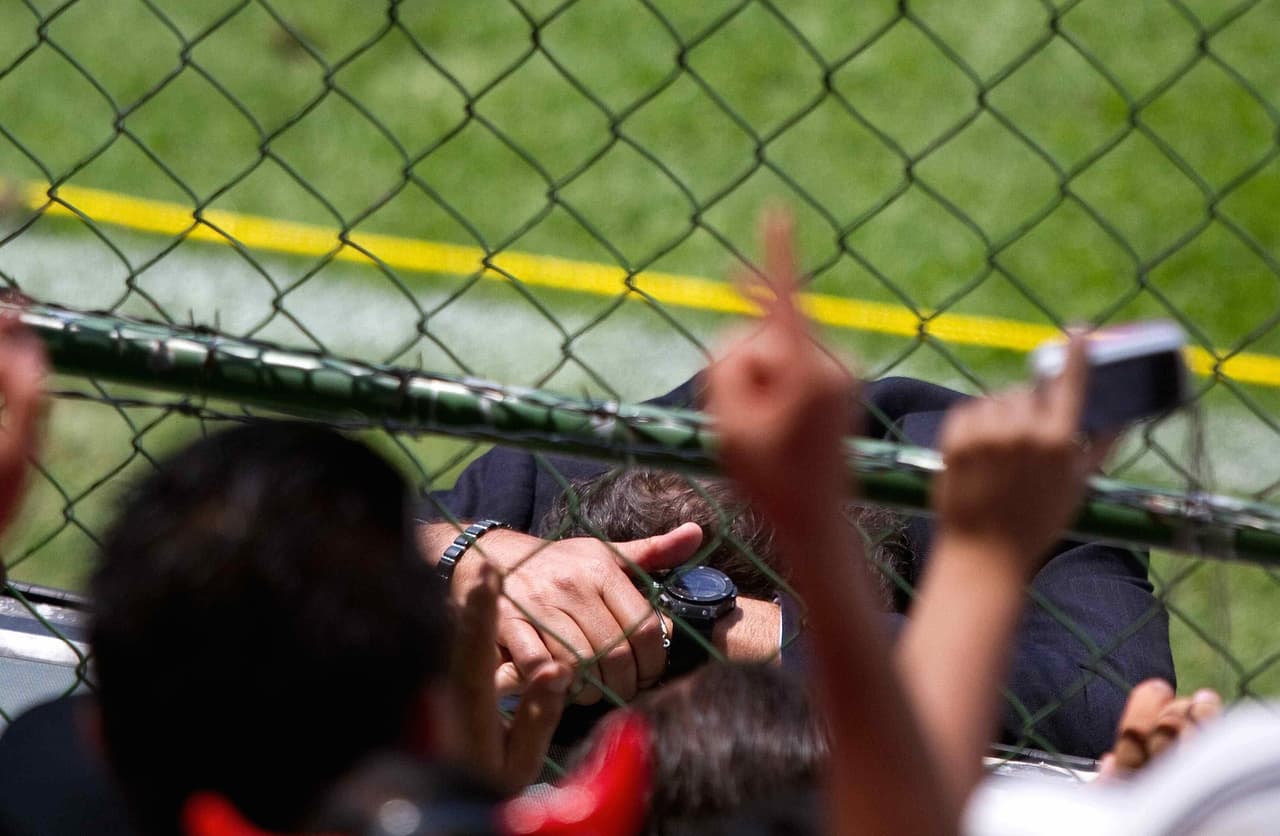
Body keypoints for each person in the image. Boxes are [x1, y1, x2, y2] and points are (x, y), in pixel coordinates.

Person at [417, 293, 1173, 760]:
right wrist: (469, 552)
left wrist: (688, 627)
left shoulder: (1019, 498)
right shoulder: (563, 483)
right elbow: (322, 530)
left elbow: (1104, 708)